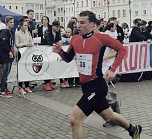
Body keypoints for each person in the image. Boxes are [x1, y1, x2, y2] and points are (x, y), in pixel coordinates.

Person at [52, 11, 142, 139]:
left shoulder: (101, 38)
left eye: (82, 23)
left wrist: (112, 69)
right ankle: (134, 129)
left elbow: (122, 49)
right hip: (85, 86)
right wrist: (60, 51)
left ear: (92, 24)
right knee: (109, 116)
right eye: (78, 22)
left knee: (74, 119)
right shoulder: (75, 39)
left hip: (97, 85)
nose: (78, 25)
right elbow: (68, 58)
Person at [0, 16, 15, 98]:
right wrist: (9, 51)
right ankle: (2, 91)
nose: (12, 24)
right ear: (7, 23)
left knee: (7, 73)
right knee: (5, 73)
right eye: (11, 22)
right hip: (5, 56)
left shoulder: (10, 32)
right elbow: (3, 43)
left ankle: (4, 87)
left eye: (13, 22)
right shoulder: (4, 32)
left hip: (9, 55)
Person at [15, 18, 33, 94]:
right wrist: (25, 44)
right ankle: (20, 87)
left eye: (27, 25)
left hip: (27, 53)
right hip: (20, 52)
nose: (26, 26)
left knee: (27, 69)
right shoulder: (17, 33)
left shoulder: (28, 32)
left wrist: (31, 43)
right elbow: (17, 44)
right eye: (25, 25)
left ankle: (27, 86)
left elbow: (31, 40)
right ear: (21, 26)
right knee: (20, 70)